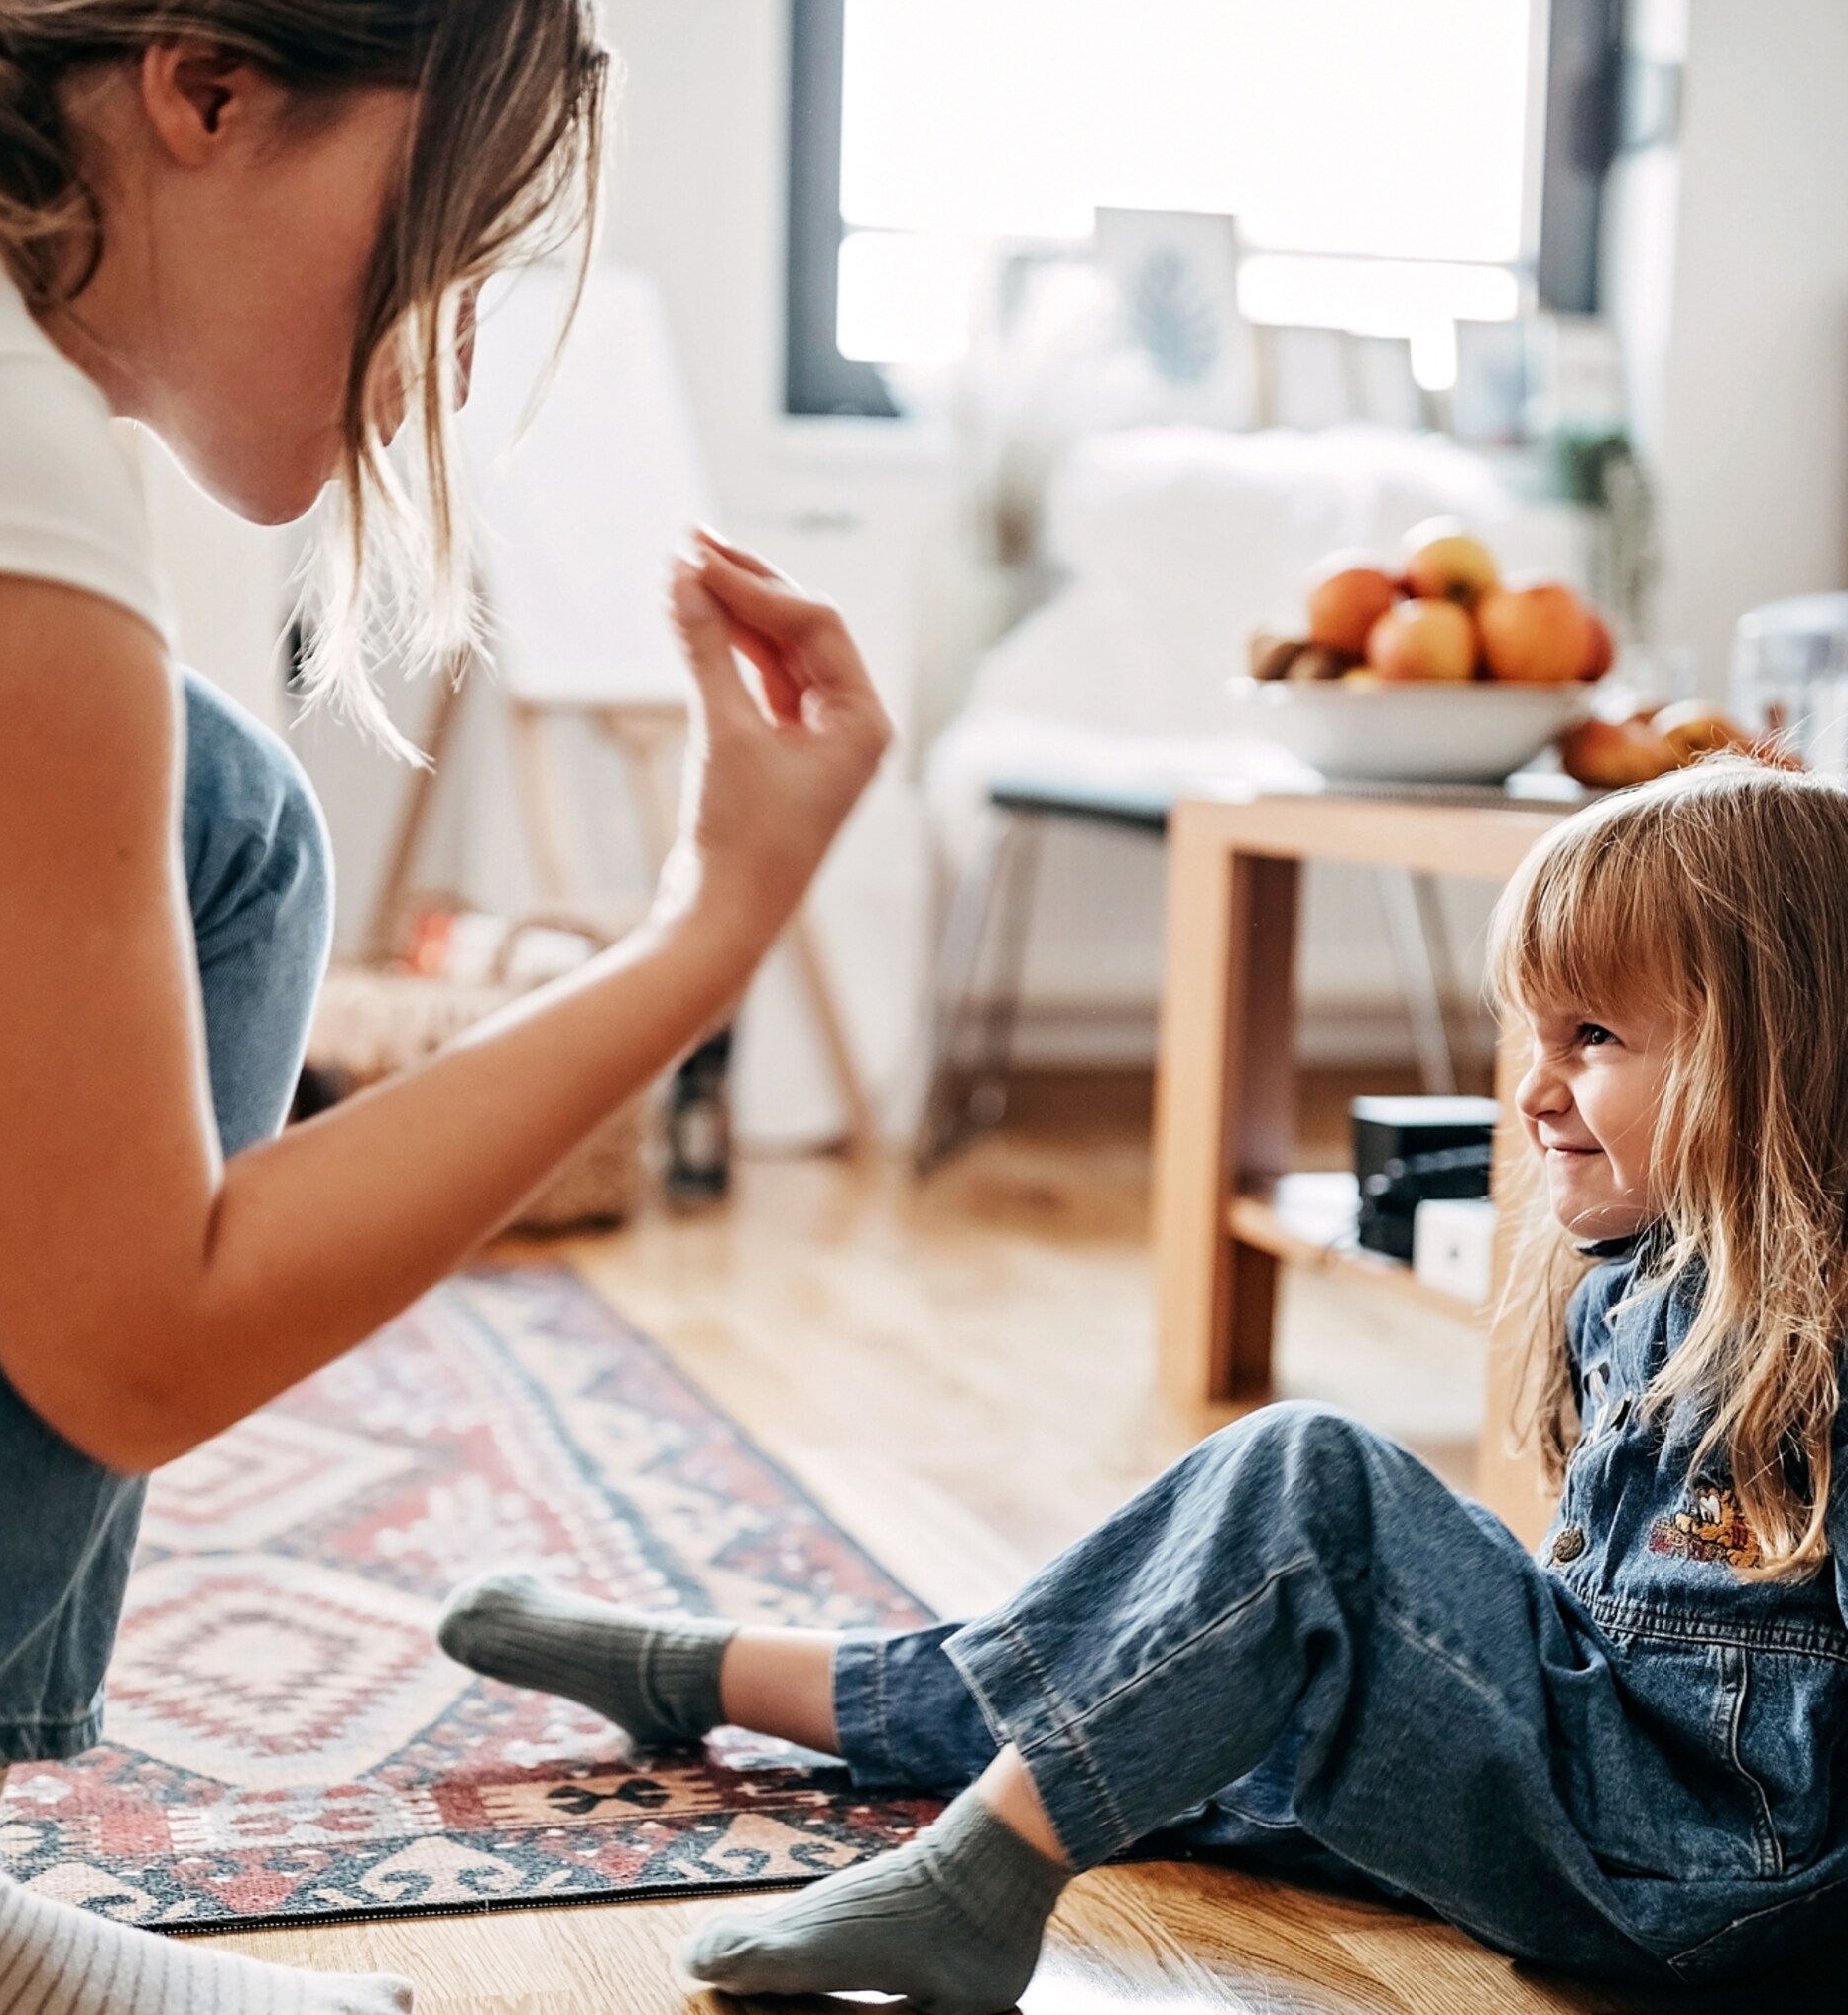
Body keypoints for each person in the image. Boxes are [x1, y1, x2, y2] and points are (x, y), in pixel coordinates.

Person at [0, 0, 891, 2010]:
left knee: (199, 789)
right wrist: (710, 923)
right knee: (231, 831)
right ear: (207, 90)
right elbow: (136, 1338)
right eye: (437, 250)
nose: (448, 352)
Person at [441, 760, 1848, 2009]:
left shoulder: (1826, 1330)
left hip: (1690, 1863)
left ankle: (974, 1889)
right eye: (1531, 1036)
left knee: (1309, 1483)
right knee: (1156, 1663)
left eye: (1592, 1039)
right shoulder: (1643, 1275)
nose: (1533, 1090)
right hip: (1602, 1794)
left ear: (1782, 1053)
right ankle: (712, 1675)